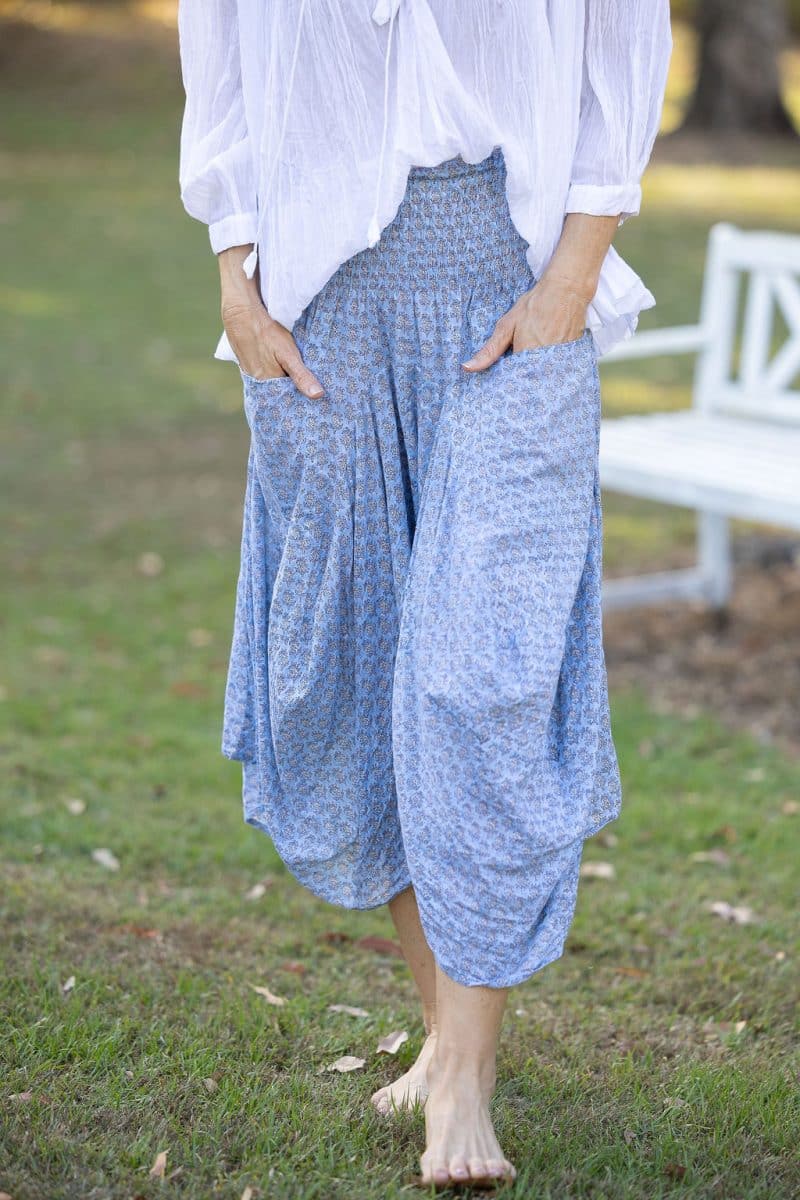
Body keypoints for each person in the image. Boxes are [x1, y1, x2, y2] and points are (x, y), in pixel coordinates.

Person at [177, 0, 672, 1188]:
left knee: (475, 676)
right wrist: (237, 287)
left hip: (512, 298)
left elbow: (622, 54)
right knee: (356, 673)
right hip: (320, 315)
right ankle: (452, 1042)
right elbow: (225, 75)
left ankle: (460, 1077)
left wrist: (568, 281)